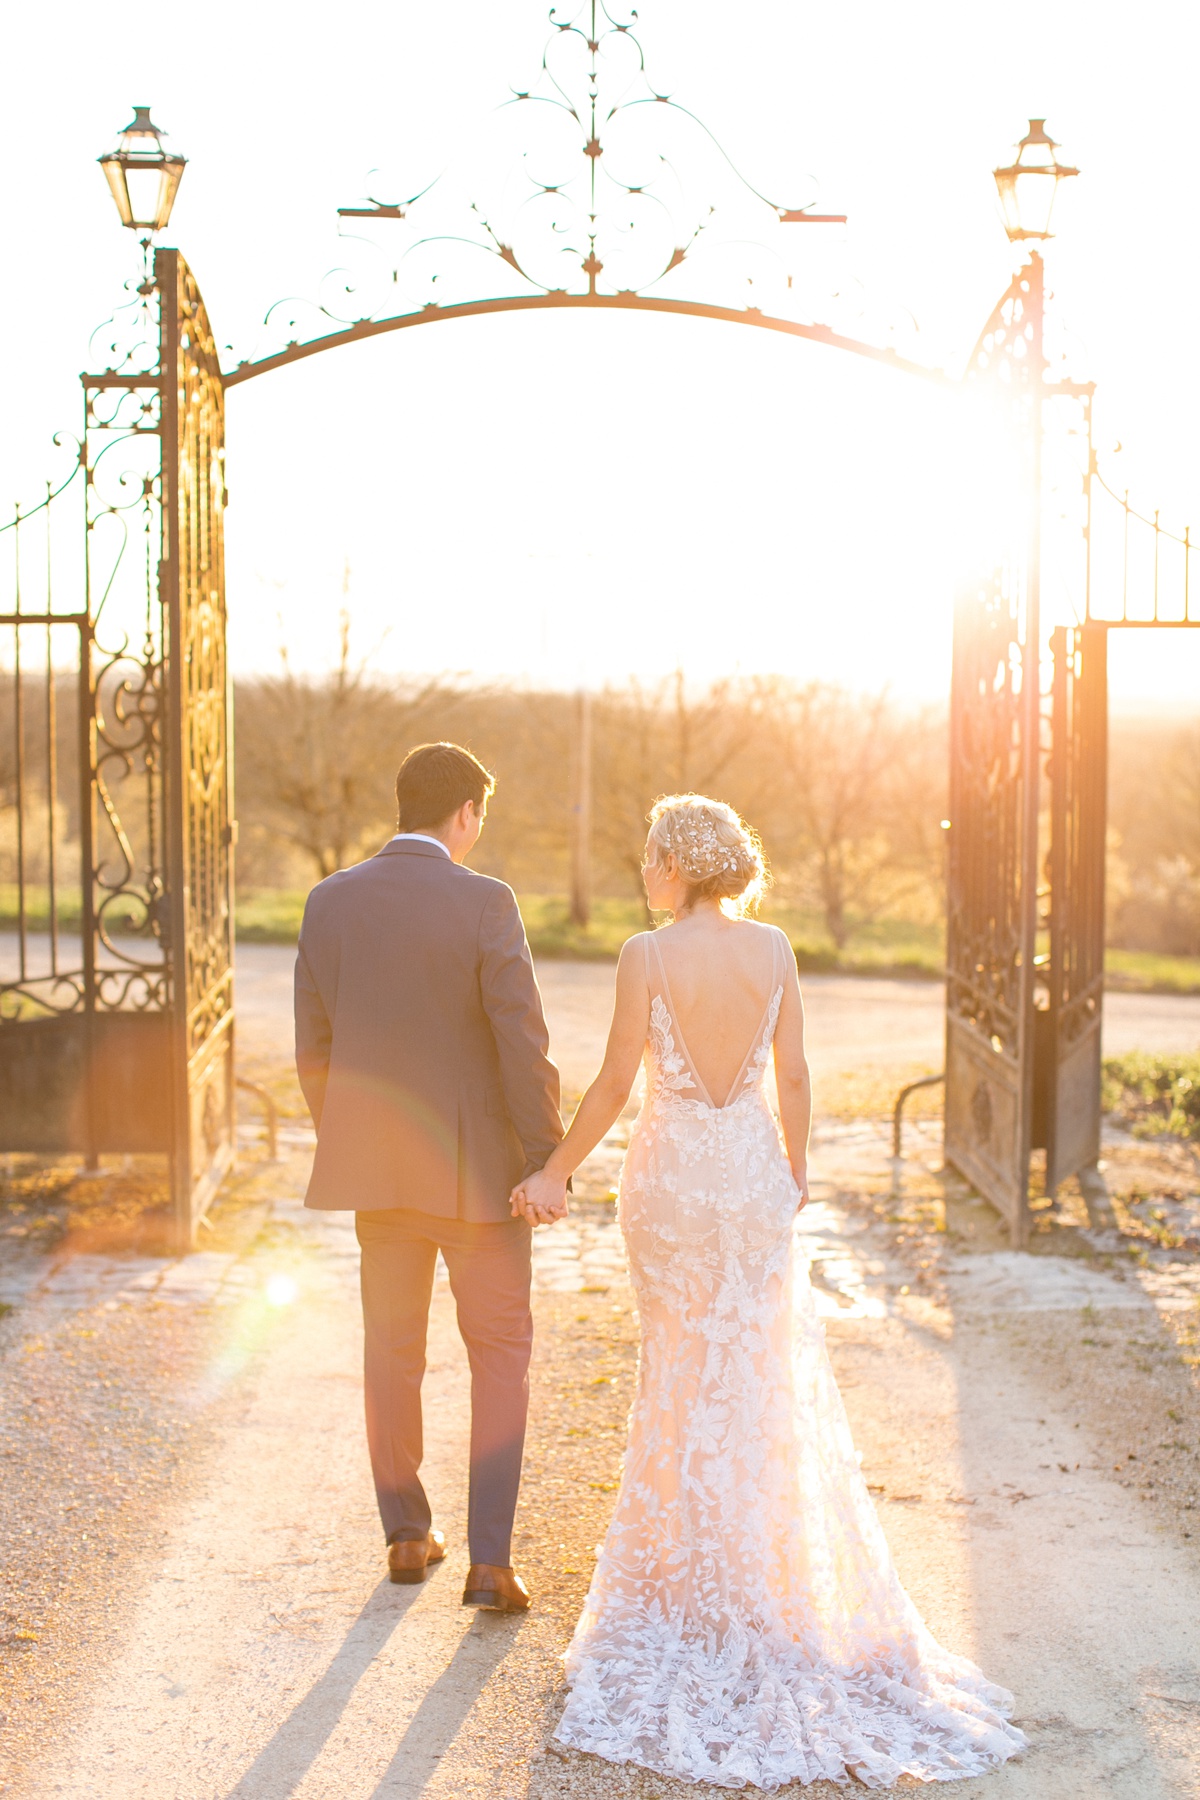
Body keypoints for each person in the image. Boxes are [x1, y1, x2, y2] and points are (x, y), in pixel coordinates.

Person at [511, 794, 1026, 1788]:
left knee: (677, 1378)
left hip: (669, 1185)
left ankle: (679, 1596)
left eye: (649, 857)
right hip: (748, 1181)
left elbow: (619, 1079)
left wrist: (557, 1172)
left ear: (674, 863)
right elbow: (794, 1074)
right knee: (756, 1381)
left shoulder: (644, 956)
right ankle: (762, 1583)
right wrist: (795, 1175)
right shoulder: (777, 949)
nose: (644, 875)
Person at [295, 741, 564, 1614]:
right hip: (483, 1183)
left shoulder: (328, 901)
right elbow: (522, 1043)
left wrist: (353, 1138)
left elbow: (315, 1050)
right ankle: (491, 1561)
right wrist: (544, 1158)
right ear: (465, 814)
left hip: (382, 1177)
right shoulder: (488, 901)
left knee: (391, 1352)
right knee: (500, 1360)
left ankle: (406, 1533)